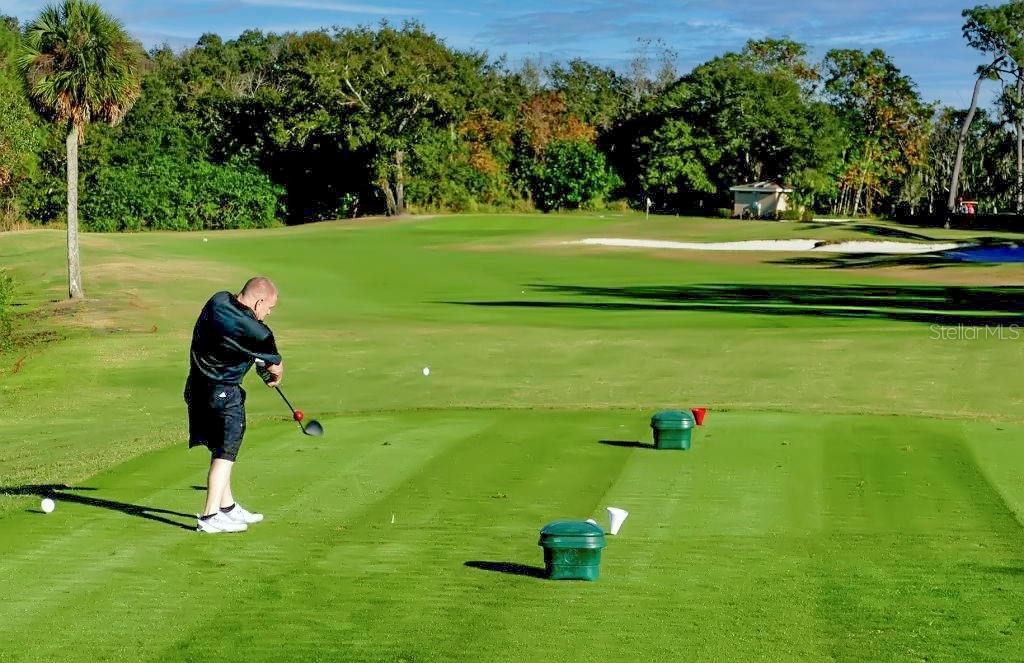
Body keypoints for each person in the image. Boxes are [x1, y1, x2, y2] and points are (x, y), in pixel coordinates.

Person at [184, 277, 284, 534]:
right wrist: (273, 374)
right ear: (259, 302)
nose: (269, 313)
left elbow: (229, 340)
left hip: (197, 389)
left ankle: (226, 507)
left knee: (219, 448)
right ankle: (209, 516)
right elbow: (275, 367)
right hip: (224, 395)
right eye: (269, 307)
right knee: (226, 454)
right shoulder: (259, 332)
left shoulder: (217, 300)